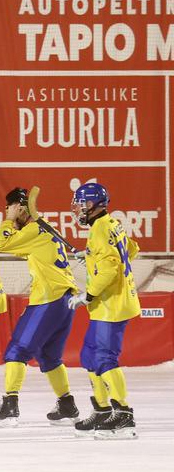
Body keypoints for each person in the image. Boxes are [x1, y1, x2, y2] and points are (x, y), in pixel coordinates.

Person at [0, 187, 80, 427]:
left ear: (19, 208)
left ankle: (10, 405)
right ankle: (67, 404)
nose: (6, 212)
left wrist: (8, 221)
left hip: (48, 299)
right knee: (49, 356)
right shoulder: (44, 228)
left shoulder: (33, 229)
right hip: (65, 301)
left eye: (8, 208)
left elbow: (0, 244)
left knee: (16, 350)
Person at [68, 182, 140, 439]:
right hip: (109, 304)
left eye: (81, 204)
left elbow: (109, 269)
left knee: (104, 358)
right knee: (89, 355)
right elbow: (131, 250)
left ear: (93, 205)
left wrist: (86, 295)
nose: (78, 209)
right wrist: (89, 255)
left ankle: (123, 414)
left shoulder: (99, 229)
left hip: (112, 305)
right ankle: (101, 409)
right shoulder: (111, 224)